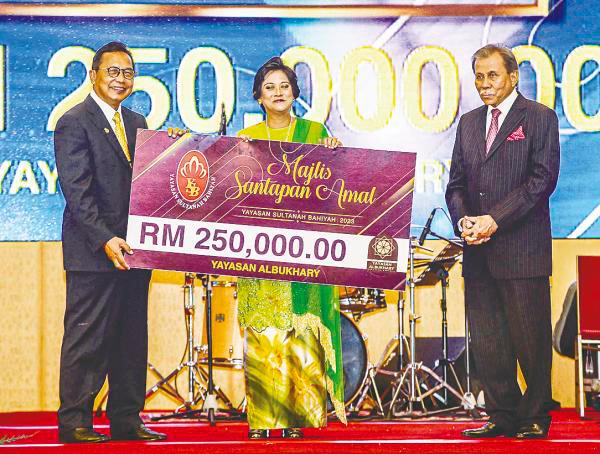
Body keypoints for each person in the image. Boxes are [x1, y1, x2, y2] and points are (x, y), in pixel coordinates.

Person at [445, 44, 560, 439]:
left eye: (492, 75)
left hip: (523, 249)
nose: (484, 83)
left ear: (513, 76)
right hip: (478, 252)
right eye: (478, 76)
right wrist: (464, 221)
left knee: (530, 340)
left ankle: (534, 415)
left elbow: (541, 182)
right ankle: (501, 413)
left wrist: (494, 219)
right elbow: (455, 184)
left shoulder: (540, 118)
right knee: (489, 341)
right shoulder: (469, 123)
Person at [54, 41, 166, 444]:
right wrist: (105, 239)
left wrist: (175, 150)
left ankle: (126, 419)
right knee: (87, 339)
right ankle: (75, 423)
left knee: (131, 339)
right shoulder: (74, 122)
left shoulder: (139, 123)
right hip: (93, 253)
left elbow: (155, 183)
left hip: (135, 252)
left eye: (128, 73)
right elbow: (77, 192)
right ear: (94, 75)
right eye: (113, 71)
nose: (121, 79)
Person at [237, 57, 345, 439]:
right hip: (261, 253)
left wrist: (336, 154)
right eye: (270, 88)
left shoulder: (316, 133)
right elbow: (233, 196)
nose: (278, 93)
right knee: (266, 332)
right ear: (259, 97)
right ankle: (264, 420)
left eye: (284, 86)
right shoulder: (247, 137)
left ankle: (296, 418)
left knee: (300, 332)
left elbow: (336, 190)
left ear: (295, 92)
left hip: (305, 252)